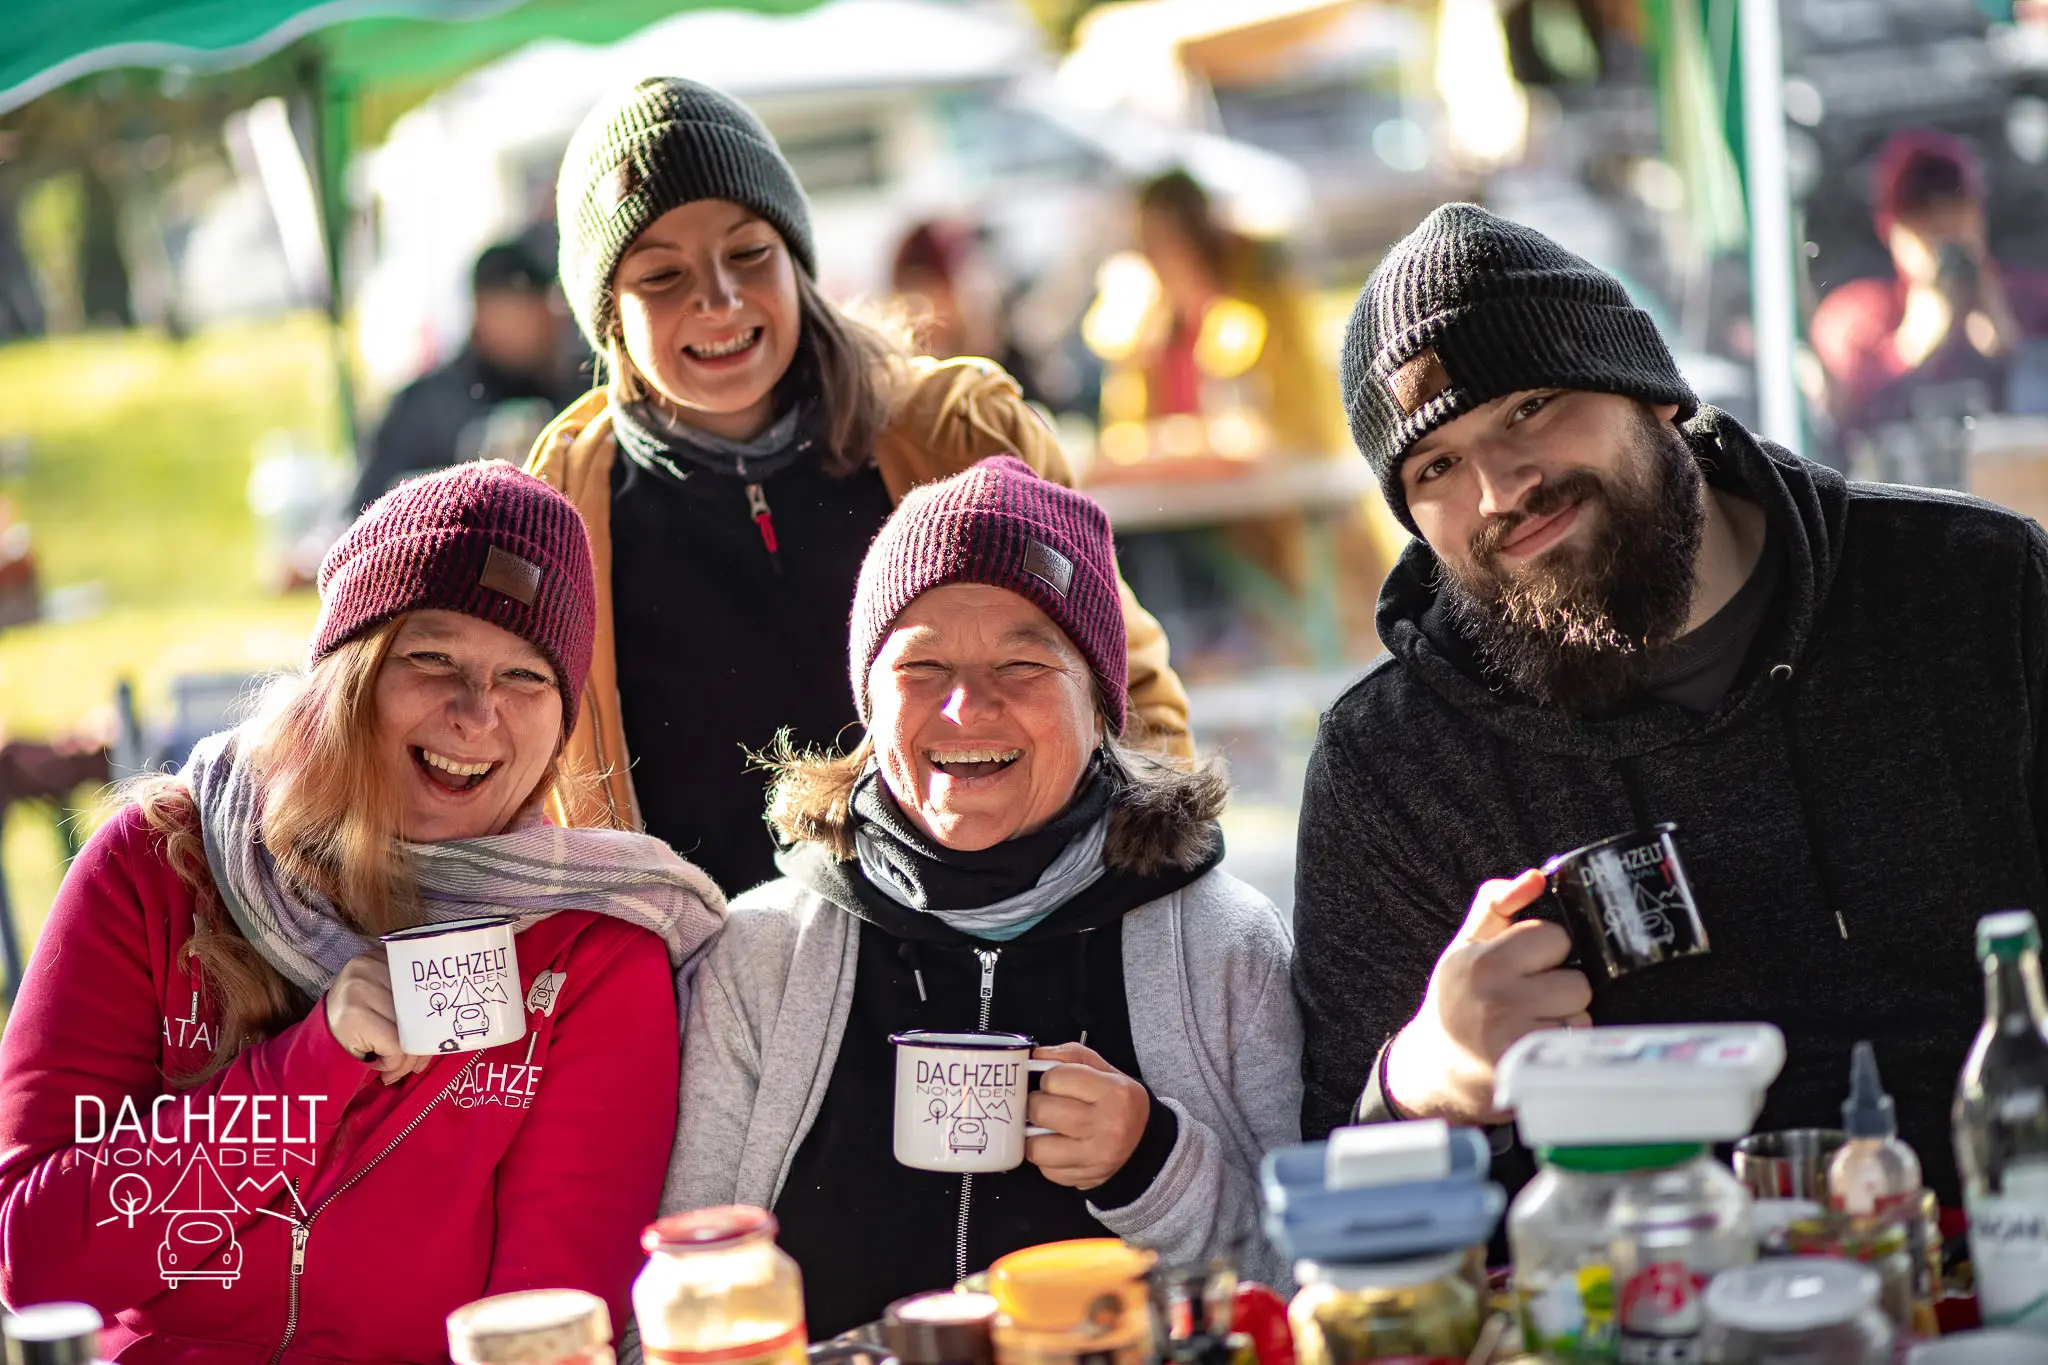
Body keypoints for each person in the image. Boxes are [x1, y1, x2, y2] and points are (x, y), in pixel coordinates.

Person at [1292, 203, 2048, 1207]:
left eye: (1529, 406)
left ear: (1651, 393)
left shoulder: (1974, 590)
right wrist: (1422, 1076)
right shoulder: (1392, 768)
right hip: (1626, 1283)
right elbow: (1342, 1191)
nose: (1500, 488)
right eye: (1436, 466)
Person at [0, 462, 725, 1359]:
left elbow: (546, 1328)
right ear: (345, 674)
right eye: (432, 658)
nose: (476, 714)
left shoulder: (590, 949)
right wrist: (309, 1070)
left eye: (525, 677)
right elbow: (38, 1263)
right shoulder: (162, 862)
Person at [666, 457, 1300, 1335]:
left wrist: (1154, 1162)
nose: (967, 707)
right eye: (922, 665)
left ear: (1100, 704)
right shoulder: (760, 952)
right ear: (868, 704)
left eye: (1023, 662)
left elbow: (1304, 1287)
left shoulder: (1222, 942)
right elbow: (675, 1298)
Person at [525, 78, 1190, 899]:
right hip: (692, 961)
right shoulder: (561, 515)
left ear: (796, 261)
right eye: (661, 275)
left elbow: (1127, 684)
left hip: (986, 945)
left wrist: (1140, 888)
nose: (718, 299)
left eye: (749, 253)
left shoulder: (962, 434)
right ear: (607, 314)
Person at [1810, 129, 2048, 433]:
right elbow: (1839, 426)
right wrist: (1910, 347)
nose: (1943, 232)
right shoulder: (1856, 320)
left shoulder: (2035, 301)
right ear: (1890, 231)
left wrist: (2016, 352)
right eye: (1922, 218)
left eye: (1955, 211)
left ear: (1979, 214)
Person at [352, 238, 583, 508]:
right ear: (482, 310)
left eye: (540, 309)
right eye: (513, 311)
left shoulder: (579, 391)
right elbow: (371, 504)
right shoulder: (425, 406)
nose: (534, 324)